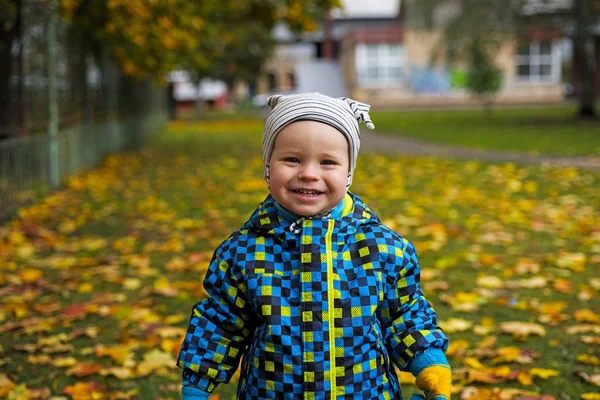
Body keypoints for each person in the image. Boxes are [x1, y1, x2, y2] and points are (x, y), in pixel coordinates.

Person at [177, 93, 451, 400]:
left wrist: (431, 364)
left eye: (328, 162)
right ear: (268, 166)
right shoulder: (243, 253)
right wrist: (196, 385)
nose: (309, 173)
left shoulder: (383, 249)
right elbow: (221, 323)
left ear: (348, 173)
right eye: (292, 159)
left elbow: (405, 314)